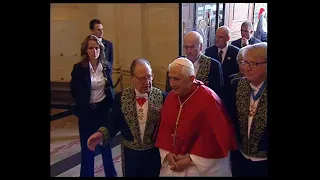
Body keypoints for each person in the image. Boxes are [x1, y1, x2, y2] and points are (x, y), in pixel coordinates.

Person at [156, 57, 237, 176]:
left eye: (176, 79)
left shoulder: (209, 99)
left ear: (191, 79)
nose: (171, 84)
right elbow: (165, 130)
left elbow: (215, 140)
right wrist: (167, 154)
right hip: (173, 161)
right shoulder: (171, 97)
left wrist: (191, 160)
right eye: (170, 78)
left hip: (200, 166)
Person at [87, 58, 167, 177]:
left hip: (153, 155)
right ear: (132, 79)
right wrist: (101, 134)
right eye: (141, 78)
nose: (147, 82)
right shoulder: (121, 98)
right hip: (130, 156)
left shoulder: (162, 97)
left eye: (149, 77)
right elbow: (113, 122)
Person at [70, 35, 116, 177]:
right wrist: (81, 106)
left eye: (96, 48)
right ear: (86, 50)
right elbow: (74, 89)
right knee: (87, 147)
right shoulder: (79, 68)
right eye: (91, 48)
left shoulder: (105, 66)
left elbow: (110, 88)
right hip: (87, 113)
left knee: (105, 146)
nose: (94, 51)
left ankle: (111, 174)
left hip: (102, 111)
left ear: (100, 49)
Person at [225, 42, 268, 176]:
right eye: (245, 63)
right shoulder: (237, 85)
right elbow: (229, 118)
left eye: (253, 64)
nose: (247, 68)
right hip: (240, 157)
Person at [165, 31, 224, 99]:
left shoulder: (213, 65)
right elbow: (169, 91)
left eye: (192, 47)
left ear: (200, 47)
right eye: (186, 47)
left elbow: (218, 95)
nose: (189, 51)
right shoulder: (177, 63)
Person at [204, 26, 239, 99]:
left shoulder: (236, 52)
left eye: (220, 37)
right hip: (213, 92)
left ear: (228, 38)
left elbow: (237, 73)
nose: (217, 40)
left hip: (229, 91)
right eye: (216, 37)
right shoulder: (209, 51)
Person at [90, 19, 114, 95]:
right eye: (99, 30)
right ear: (92, 31)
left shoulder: (109, 44)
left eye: (102, 29)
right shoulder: (87, 45)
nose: (101, 31)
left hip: (105, 79)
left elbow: (110, 62)